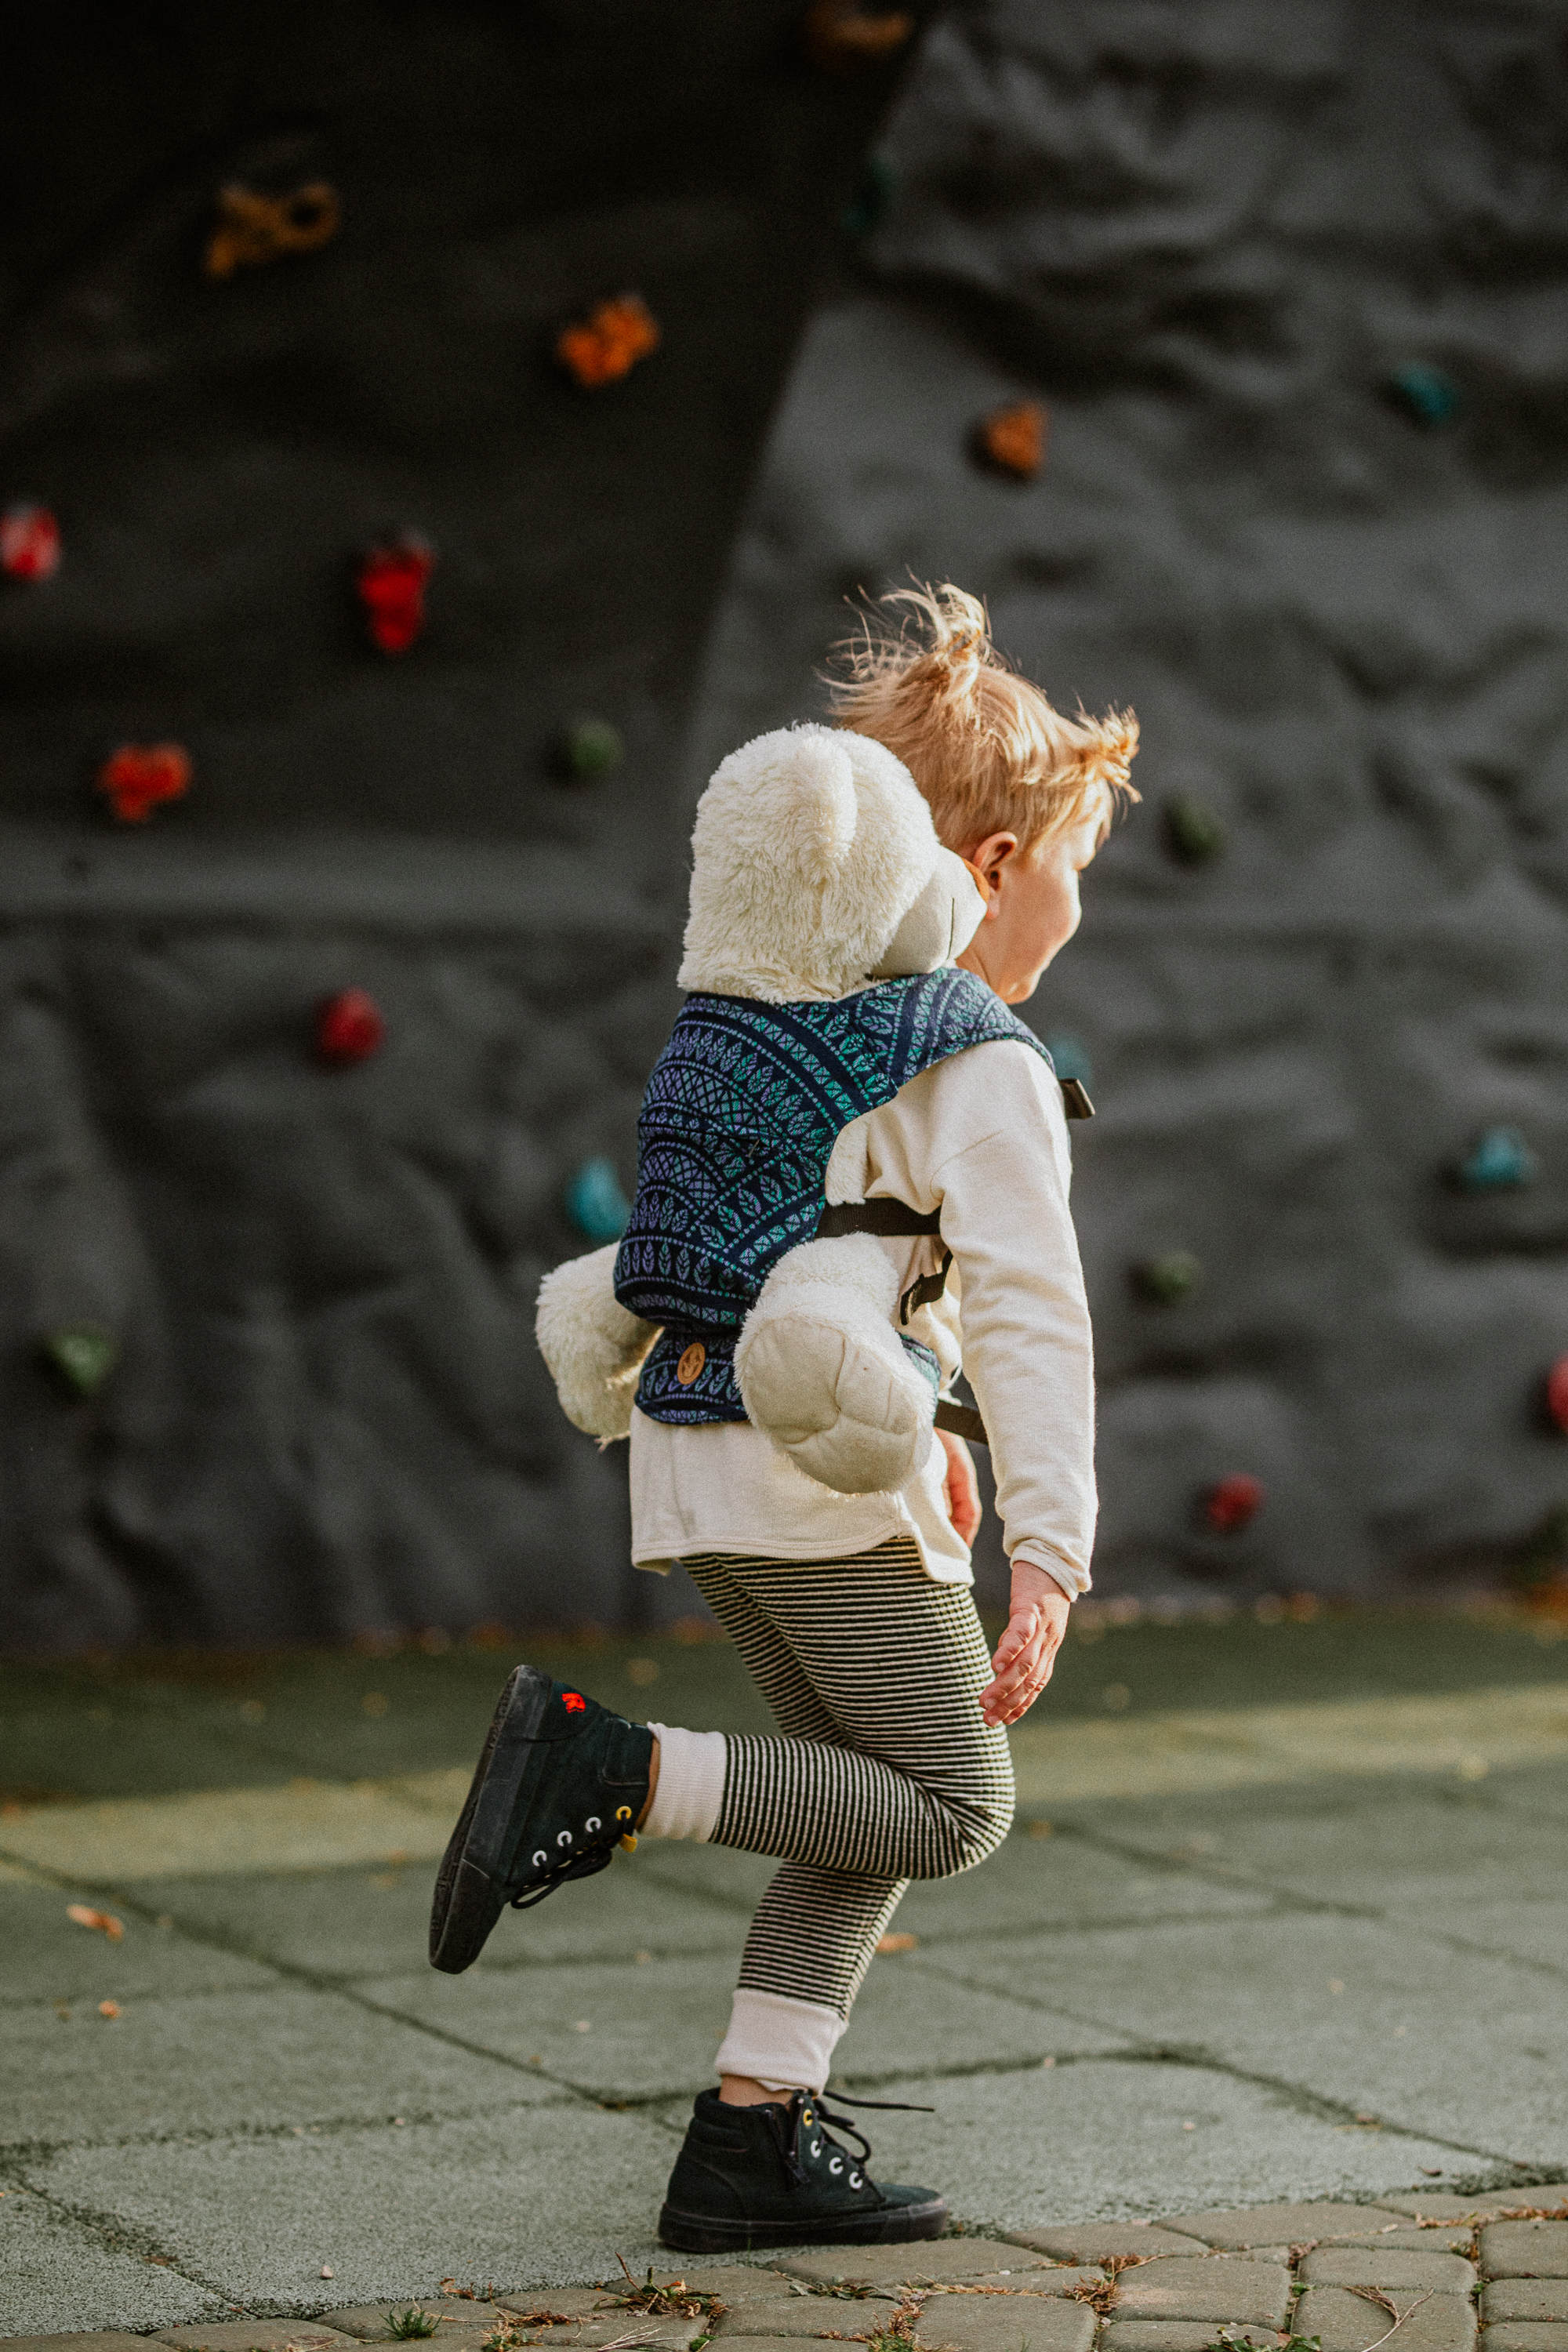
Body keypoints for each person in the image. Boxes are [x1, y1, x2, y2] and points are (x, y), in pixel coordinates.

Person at [429, 583, 1138, 2251]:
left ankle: (750, 2135)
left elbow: (848, 1254)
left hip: (692, 1450)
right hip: (808, 1461)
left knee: (851, 1781)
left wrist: (942, 1452)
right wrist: (1052, 1551)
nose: (1073, 914)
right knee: (956, 1803)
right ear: (986, 867)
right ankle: (606, 1770)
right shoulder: (980, 1056)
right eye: (1071, 877)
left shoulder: (770, 1021)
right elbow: (1030, 1312)